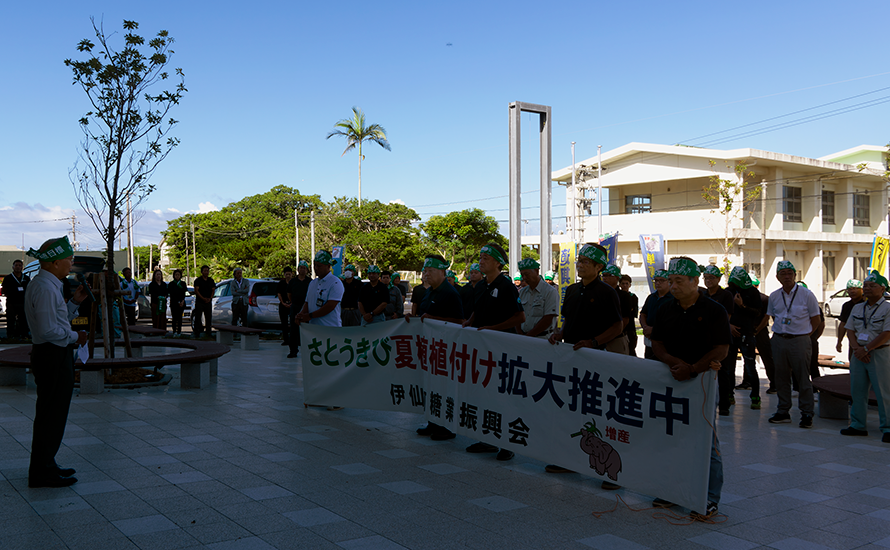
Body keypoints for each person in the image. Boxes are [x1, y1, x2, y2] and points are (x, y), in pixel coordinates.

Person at [650, 256, 729, 519]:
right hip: (671, 379)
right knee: (669, 437)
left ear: (695, 281)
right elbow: (657, 344)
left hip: (702, 383)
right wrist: (676, 364)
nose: (673, 286)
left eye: (679, 281)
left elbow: (722, 348)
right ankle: (671, 490)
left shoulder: (714, 310)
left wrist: (693, 369)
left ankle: (709, 498)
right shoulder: (664, 309)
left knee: (707, 440)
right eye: (670, 281)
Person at [547, 243, 624, 481]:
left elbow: (617, 327)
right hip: (571, 361)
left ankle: (610, 469)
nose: (579, 265)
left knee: (597, 412)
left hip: (596, 362)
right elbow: (567, 319)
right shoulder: (570, 290)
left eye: (585, 262)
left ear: (599, 267)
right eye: (579, 261)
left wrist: (593, 342)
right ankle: (569, 459)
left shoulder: (606, 292)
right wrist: (560, 332)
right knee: (571, 409)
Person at [23, 236, 88, 488]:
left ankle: (46, 464)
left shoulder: (48, 285)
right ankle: (41, 472)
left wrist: (74, 304)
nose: (71, 264)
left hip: (52, 353)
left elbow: (55, 320)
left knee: (51, 414)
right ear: (54, 262)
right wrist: (77, 336)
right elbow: (50, 331)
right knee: (51, 414)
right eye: (69, 259)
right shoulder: (45, 287)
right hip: (52, 354)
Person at [463, 243, 525, 461]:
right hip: (481, 351)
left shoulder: (506, 286)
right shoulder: (479, 286)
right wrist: (469, 322)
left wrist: (493, 329)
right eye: (480, 257)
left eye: (486, 258)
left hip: (501, 351)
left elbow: (520, 317)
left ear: (498, 263)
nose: (481, 261)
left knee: (502, 397)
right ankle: (487, 438)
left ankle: (507, 444)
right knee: (484, 394)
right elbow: (476, 313)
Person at [410, 255, 464, 442]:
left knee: (444, 387)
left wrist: (435, 320)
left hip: (445, 351)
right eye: (425, 271)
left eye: (430, 271)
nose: (426, 274)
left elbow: (460, 322)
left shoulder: (450, 293)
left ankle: (447, 427)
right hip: (430, 349)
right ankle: (433, 422)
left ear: (442, 271)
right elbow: (426, 315)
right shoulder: (429, 291)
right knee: (431, 386)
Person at [766, 261, 820, 428]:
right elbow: (773, 316)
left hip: (800, 340)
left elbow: (816, 319)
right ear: (777, 277)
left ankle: (806, 413)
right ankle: (783, 411)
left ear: (795, 275)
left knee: (803, 377)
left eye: (790, 273)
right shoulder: (774, 296)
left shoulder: (807, 294)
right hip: (779, 339)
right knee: (781, 377)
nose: (787, 276)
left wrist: (803, 335)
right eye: (783, 274)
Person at [841, 271, 890, 443]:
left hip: (880, 353)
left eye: (872, 286)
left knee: (883, 392)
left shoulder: (888, 308)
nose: (867, 289)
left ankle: (888, 428)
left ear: (882, 289)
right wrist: (856, 348)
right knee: (857, 391)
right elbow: (850, 329)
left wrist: (867, 349)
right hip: (859, 354)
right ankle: (858, 425)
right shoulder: (857, 307)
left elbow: (887, 333)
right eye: (865, 286)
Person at [726, 267, 762, 410]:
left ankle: (755, 396)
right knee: (729, 368)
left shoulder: (753, 292)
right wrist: (729, 326)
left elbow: (758, 313)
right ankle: (729, 394)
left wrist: (742, 305)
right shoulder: (728, 292)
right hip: (731, 334)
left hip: (747, 334)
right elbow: (721, 312)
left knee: (750, 366)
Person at [701, 265, 735, 416]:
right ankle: (705, 403)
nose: (708, 281)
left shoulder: (726, 295)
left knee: (722, 371)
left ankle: (724, 405)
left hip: (720, 338)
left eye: (711, 278)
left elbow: (726, 318)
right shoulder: (702, 295)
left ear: (719, 279)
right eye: (706, 278)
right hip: (705, 339)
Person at [517, 258, 558, 339]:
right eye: (522, 275)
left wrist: (529, 336)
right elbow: (518, 315)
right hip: (523, 338)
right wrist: (520, 333)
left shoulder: (550, 291)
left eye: (527, 274)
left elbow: (548, 319)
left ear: (536, 271)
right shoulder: (522, 292)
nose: (524, 278)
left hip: (542, 339)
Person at [639, 269, 674, 360]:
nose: (658, 283)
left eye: (662, 280)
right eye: (656, 280)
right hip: (649, 341)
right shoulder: (651, 297)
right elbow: (643, 314)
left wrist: (654, 330)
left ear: (669, 282)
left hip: (665, 343)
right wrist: (645, 327)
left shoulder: (674, 299)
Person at [752, 277, 777, 393]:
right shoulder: (744, 297)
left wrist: (757, 330)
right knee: (749, 358)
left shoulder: (764, 299)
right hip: (753, 331)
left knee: (767, 358)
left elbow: (767, 316)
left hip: (760, 332)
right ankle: (747, 381)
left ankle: (774, 383)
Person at [600, 265, 632, 354]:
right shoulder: (599, 294)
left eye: (608, 275)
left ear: (617, 278)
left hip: (617, 339)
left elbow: (625, 319)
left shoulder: (624, 296)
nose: (605, 278)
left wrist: (611, 335)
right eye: (603, 275)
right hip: (598, 339)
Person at [287, 261, 312, 358]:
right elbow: (289, 294)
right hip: (295, 307)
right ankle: (293, 350)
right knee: (293, 329)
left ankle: (308, 350)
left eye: (304, 268)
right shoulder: (293, 282)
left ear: (307, 270)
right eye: (301, 267)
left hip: (306, 307)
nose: (302, 270)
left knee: (307, 329)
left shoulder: (310, 281)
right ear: (298, 269)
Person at [836, 279, 864, 359]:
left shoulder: (867, 304)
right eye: (850, 289)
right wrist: (839, 342)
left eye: (855, 288)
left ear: (862, 290)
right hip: (852, 341)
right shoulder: (846, 306)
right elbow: (843, 324)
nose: (852, 291)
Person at [2, 259, 30, 338]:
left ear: (22, 267)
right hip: (12, 303)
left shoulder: (26, 278)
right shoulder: (8, 278)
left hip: (23, 302)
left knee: (23, 320)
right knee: (11, 320)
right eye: (16, 265)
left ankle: (24, 335)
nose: (18, 267)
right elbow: (5, 290)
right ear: (13, 267)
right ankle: (10, 336)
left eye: (20, 265)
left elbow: (29, 289)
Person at [619, 274, 639, 356]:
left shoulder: (633, 297)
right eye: (623, 283)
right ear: (619, 284)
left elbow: (633, 313)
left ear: (630, 285)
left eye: (626, 283)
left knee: (631, 350)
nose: (625, 285)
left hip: (630, 328)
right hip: (619, 328)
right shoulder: (616, 296)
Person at [193, 265, 215, 338]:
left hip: (208, 301)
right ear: (202, 272)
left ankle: (208, 332)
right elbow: (196, 290)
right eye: (205, 271)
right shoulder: (198, 280)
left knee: (208, 317)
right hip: (200, 301)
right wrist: (203, 298)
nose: (206, 272)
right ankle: (197, 332)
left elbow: (213, 290)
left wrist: (210, 298)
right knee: (198, 317)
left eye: (207, 271)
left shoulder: (211, 280)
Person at [277, 267, 294, 346]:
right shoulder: (281, 283)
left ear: (292, 274)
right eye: (286, 274)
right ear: (284, 274)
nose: (288, 276)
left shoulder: (294, 283)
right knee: (284, 324)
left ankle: (293, 340)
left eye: (289, 274)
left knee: (293, 324)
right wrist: (283, 303)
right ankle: (285, 340)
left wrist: (291, 303)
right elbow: (279, 294)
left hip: (292, 305)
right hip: (283, 305)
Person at [168, 269, 188, 337]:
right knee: (174, 318)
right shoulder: (171, 284)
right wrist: (177, 301)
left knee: (180, 318)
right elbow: (171, 294)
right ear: (174, 275)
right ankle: (174, 331)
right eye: (176, 275)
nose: (177, 276)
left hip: (181, 303)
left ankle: (179, 331)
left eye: (178, 275)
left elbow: (184, 293)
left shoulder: (183, 283)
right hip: (174, 303)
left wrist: (182, 301)